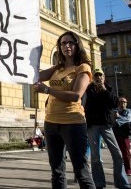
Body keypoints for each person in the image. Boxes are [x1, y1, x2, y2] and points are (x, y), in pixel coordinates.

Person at [34, 31, 95, 189]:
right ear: (59, 47)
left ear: (77, 45)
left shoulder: (83, 67)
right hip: (51, 123)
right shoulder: (57, 68)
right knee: (57, 171)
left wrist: (48, 90)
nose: (67, 46)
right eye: (63, 43)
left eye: (70, 43)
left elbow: (76, 95)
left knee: (81, 171)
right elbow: (35, 76)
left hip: (72, 123)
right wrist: (36, 53)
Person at [84, 68, 131, 189]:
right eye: (96, 76)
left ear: (104, 77)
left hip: (106, 125)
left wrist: (104, 89)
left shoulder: (109, 89)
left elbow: (114, 103)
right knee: (95, 157)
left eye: (100, 76)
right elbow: (88, 105)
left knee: (117, 154)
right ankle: (99, 184)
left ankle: (122, 183)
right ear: (92, 79)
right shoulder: (88, 90)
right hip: (92, 126)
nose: (98, 78)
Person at [113, 97, 131, 177]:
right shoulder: (115, 111)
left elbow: (128, 119)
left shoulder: (129, 111)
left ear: (126, 103)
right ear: (118, 103)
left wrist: (118, 118)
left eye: (124, 102)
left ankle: (128, 170)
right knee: (116, 154)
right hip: (115, 134)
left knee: (126, 153)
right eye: (121, 102)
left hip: (124, 135)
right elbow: (111, 121)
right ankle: (119, 170)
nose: (123, 104)